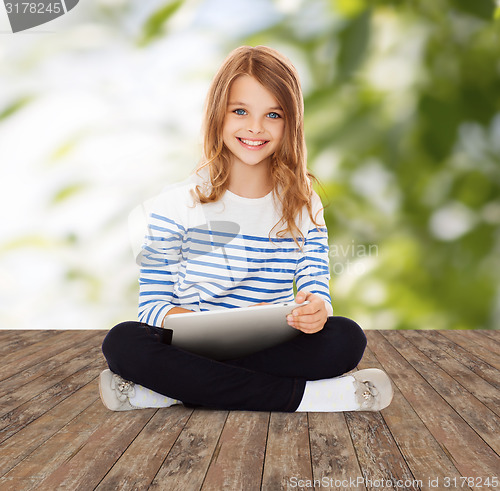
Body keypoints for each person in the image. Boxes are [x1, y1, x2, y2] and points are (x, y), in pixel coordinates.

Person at [99, 45, 393, 413]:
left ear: (291, 124)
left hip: (270, 345)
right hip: (190, 346)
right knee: (123, 342)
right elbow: (152, 307)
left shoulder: (305, 205)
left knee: (346, 337)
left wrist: (315, 309)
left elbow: (316, 286)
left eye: (273, 114)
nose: (255, 127)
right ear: (217, 117)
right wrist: (195, 325)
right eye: (240, 111)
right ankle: (309, 398)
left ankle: (166, 391)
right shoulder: (173, 205)